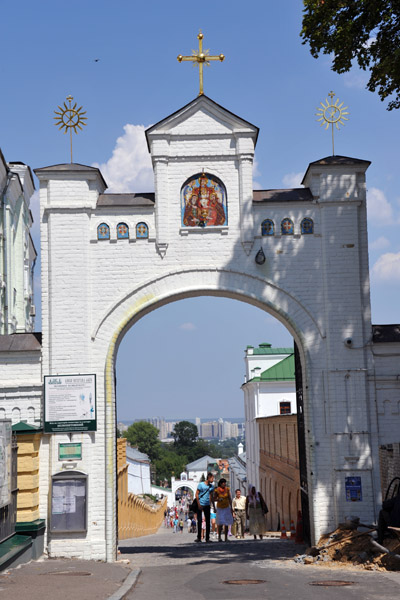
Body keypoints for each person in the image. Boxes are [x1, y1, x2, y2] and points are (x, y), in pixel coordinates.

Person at [194, 472, 215, 543]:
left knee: (208, 521)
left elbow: (211, 496)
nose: (213, 480)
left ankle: (207, 538)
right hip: (200, 504)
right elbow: (196, 494)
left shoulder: (211, 487)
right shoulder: (201, 485)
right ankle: (199, 537)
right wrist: (198, 504)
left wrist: (213, 506)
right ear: (209, 478)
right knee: (199, 521)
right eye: (212, 478)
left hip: (207, 505)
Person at [214, 478, 234, 542]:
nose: (224, 484)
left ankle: (226, 537)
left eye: (225, 483)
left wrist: (231, 507)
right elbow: (213, 499)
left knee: (226, 523)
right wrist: (218, 499)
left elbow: (230, 498)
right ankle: (219, 537)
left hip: (226, 508)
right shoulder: (217, 490)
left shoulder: (227, 489)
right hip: (220, 508)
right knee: (220, 523)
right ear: (220, 483)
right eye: (223, 483)